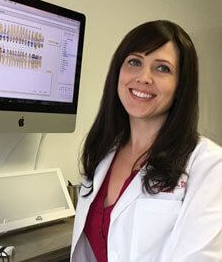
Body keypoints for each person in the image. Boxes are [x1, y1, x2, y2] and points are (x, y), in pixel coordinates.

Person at [70, 20, 222, 262]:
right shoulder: (102, 149)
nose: (144, 77)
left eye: (162, 68)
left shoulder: (209, 164)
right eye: (134, 62)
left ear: (181, 84)